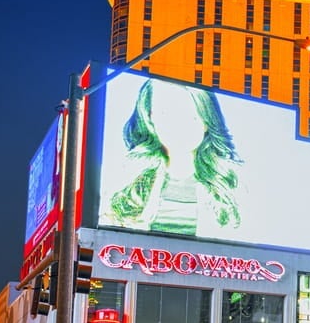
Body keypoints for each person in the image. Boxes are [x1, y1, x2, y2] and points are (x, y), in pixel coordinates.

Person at [104, 77, 243, 236]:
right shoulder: (127, 179)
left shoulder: (231, 183)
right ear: (150, 119)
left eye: (189, 114)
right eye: (166, 113)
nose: (179, 125)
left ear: (206, 120)